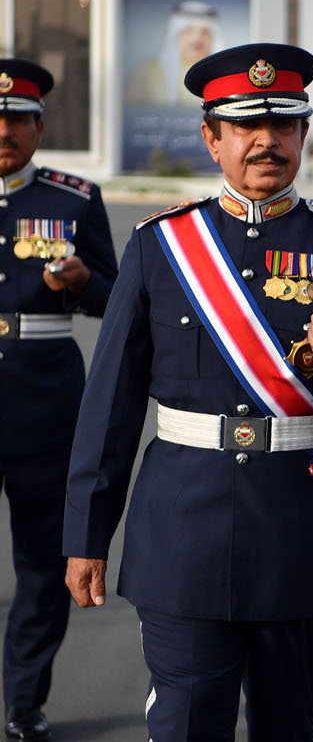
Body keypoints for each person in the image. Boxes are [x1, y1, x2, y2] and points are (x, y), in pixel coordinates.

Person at [62, 43, 313, 742]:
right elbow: (109, 405)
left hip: (300, 530)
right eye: (245, 127)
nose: (267, 141)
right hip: (182, 531)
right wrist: (86, 535)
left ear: (304, 132)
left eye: (284, 124)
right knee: (185, 726)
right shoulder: (162, 245)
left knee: (287, 727)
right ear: (212, 139)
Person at [0, 58, 117, 742]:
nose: (5, 131)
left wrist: (79, 282)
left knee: (43, 565)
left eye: (18, 119)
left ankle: (24, 702)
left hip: (44, 407)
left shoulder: (73, 198)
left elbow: (114, 297)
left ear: (39, 128)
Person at [124, 0, 221, 106]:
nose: (196, 39)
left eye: (205, 33)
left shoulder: (222, 77)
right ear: (175, 36)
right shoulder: (144, 73)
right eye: (188, 31)